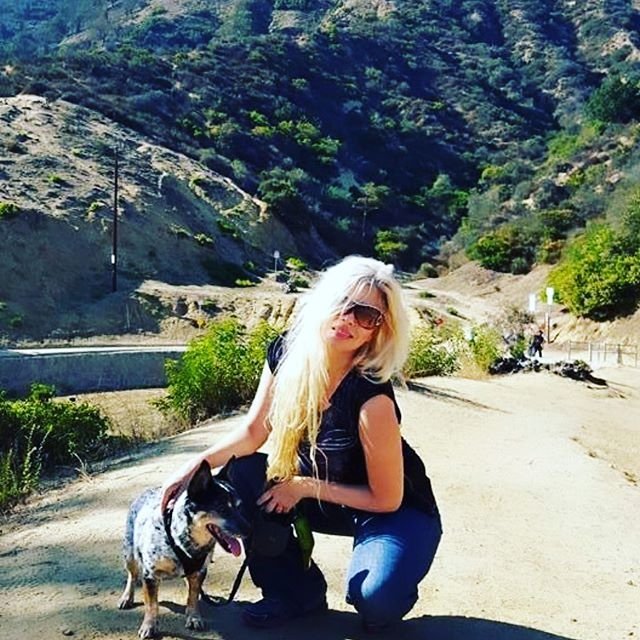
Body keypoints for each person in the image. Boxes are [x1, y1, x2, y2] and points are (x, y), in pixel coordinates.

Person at [160, 255, 441, 631]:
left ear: (379, 329)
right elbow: (253, 432)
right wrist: (193, 468)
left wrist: (303, 487)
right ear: (324, 300)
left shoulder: (371, 396)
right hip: (323, 498)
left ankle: (394, 581)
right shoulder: (286, 353)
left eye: (366, 315)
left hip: (391, 509)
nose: (348, 319)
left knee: (376, 599)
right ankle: (295, 593)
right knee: (243, 474)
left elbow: (386, 497)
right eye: (342, 303)